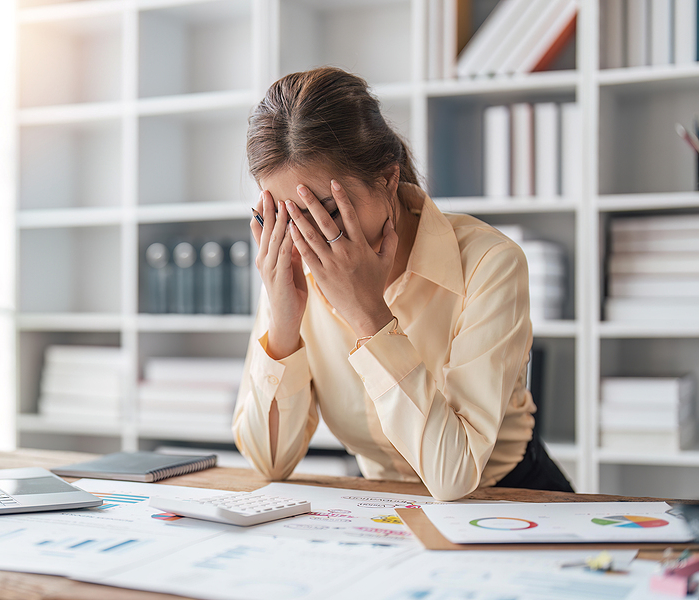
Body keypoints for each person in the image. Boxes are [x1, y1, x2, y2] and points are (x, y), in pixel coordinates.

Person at [232, 67, 572, 501]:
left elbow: (453, 476)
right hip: (383, 505)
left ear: (388, 180)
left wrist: (367, 315)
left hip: (507, 499)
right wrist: (283, 322)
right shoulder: (293, 270)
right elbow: (268, 463)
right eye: (282, 219)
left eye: (325, 215)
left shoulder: (490, 263)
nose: (306, 241)